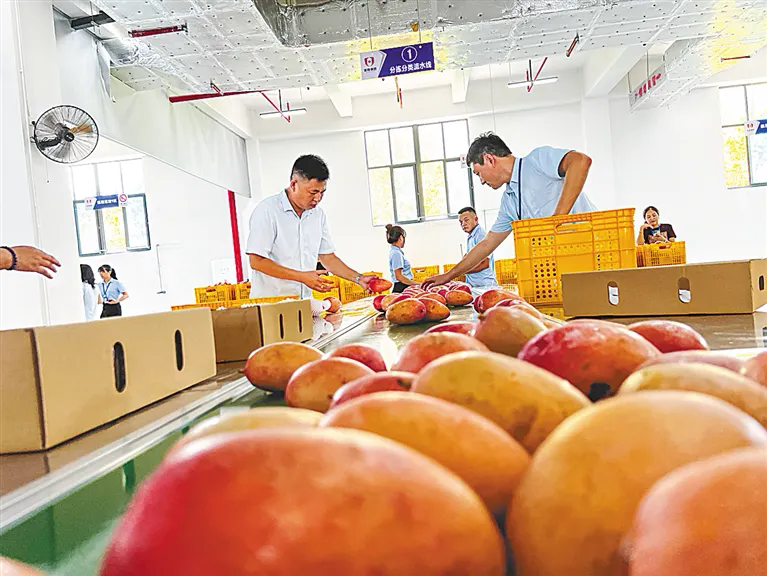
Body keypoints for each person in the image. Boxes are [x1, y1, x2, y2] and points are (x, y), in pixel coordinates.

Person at [423, 133, 596, 288]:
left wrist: (557, 220)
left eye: (478, 173)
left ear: (490, 159)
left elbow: (580, 161)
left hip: (591, 253)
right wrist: (449, 276)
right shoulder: (510, 200)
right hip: (563, 269)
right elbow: (487, 244)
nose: (481, 181)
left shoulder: (536, 161)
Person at [246, 155, 376, 299]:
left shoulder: (318, 215)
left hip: (305, 302)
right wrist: (302, 277)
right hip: (272, 302)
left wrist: (358, 278)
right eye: (313, 192)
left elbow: (327, 257)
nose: (318, 198)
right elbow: (257, 261)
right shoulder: (267, 211)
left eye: (322, 192)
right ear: (294, 185)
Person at [457, 207, 498, 295]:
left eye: (466, 220)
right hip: (476, 287)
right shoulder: (471, 236)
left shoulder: (480, 235)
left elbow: (485, 263)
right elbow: (470, 258)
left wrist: (463, 270)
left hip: (484, 287)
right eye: (461, 222)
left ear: (476, 219)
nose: (463, 224)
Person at [386, 224, 418, 293]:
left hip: (403, 286)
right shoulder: (396, 253)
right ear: (400, 238)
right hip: (402, 287)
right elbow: (399, 277)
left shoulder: (395, 251)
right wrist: (418, 284)